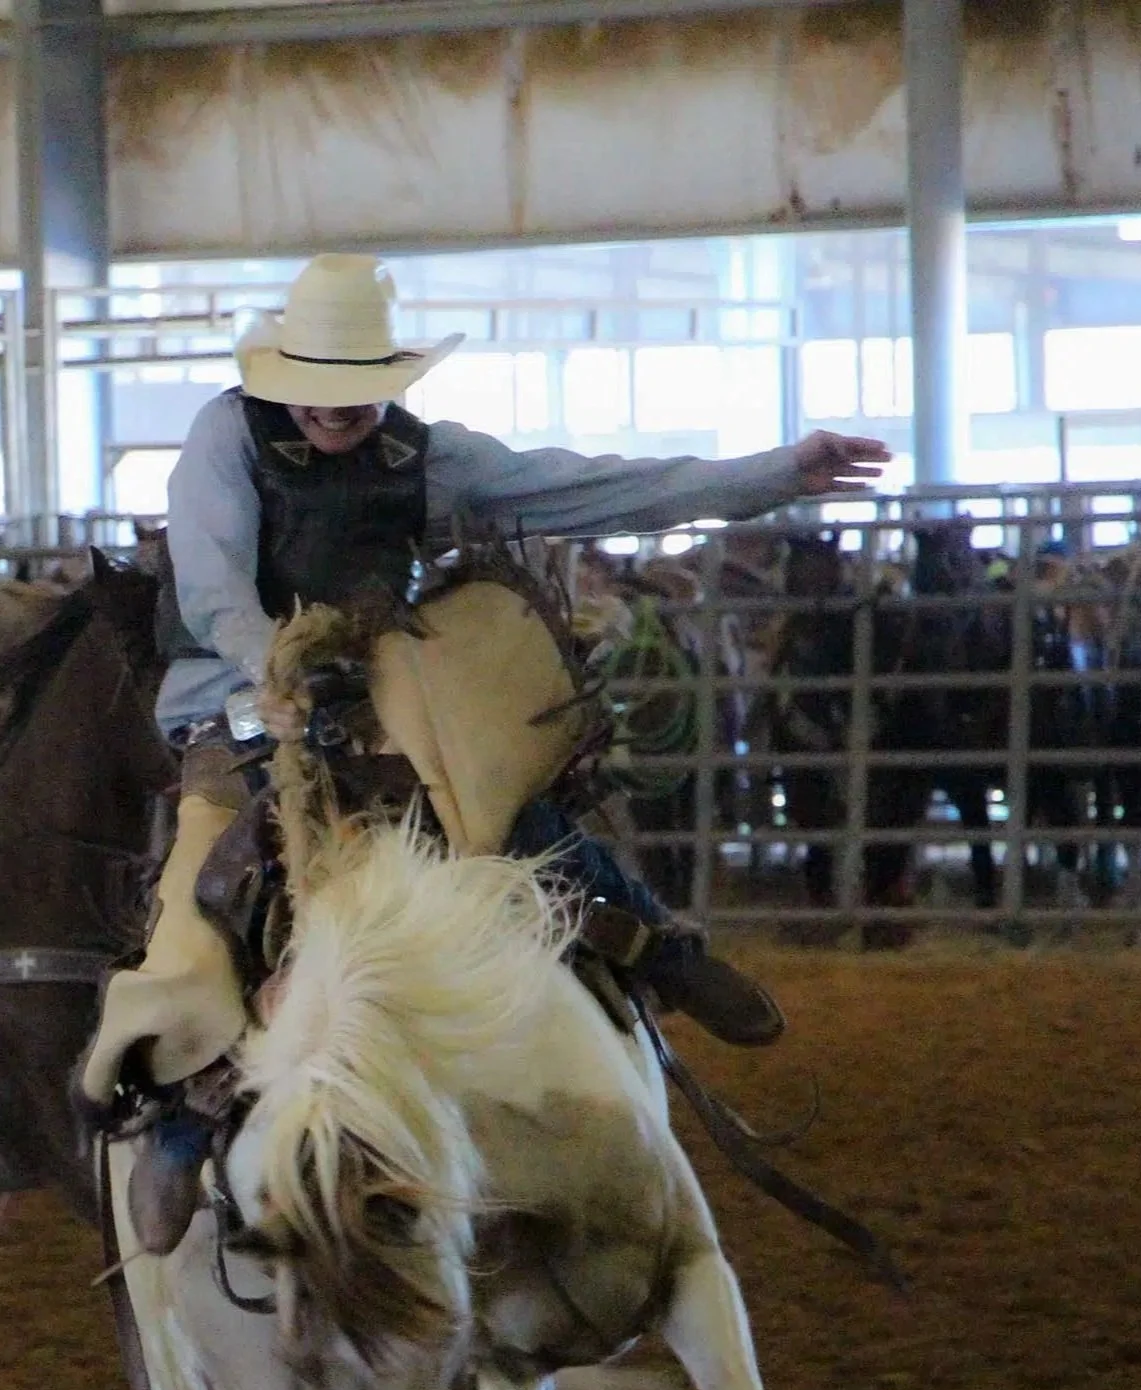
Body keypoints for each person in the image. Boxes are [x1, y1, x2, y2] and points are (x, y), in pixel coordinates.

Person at [78, 253, 890, 1244]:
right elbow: (211, 585)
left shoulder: (424, 456)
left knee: (508, 811)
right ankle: (183, 1106)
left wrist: (771, 475)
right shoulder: (225, 437)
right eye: (327, 390)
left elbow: (590, 489)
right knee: (207, 886)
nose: (343, 411)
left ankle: (655, 945)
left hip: (384, 694)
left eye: (363, 390)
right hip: (236, 702)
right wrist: (271, 669)